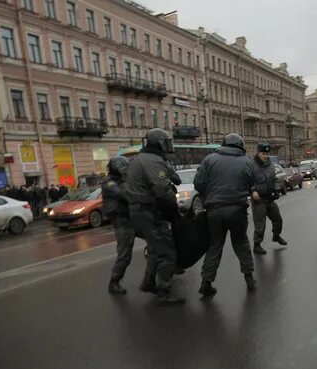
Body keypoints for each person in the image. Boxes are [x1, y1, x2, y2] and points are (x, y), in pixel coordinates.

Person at [123, 128, 185, 305]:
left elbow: (176, 179)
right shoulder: (152, 161)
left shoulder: (142, 158)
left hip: (139, 211)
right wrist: (173, 213)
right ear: (158, 143)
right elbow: (162, 191)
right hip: (149, 211)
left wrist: (167, 166)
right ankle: (164, 291)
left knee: (154, 249)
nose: (168, 146)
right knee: (166, 250)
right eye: (165, 142)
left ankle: (149, 282)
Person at [195, 133, 257, 297]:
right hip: (237, 209)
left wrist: (209, 194)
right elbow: (253, 182)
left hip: (214, 210)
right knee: (241, 242)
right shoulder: (246, 161)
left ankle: (206, 282)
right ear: (240, 145)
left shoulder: (209, 159)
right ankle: (249, 278)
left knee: (215, 245)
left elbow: (198, 183)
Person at [102, 156, 135, 295]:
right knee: (125, 253)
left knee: (156, 239)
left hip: (131, 217)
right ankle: (114, 281)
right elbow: (124, 195)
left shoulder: (122, 180)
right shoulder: (109, 182)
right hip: (121, 220)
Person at [250, 142, 287, 255]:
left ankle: (276, 236)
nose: (265, 156)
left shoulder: (270, 164)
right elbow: (247, 180)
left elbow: (274, 179)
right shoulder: (251, 165)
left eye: (267, 153)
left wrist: (276, 190)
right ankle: (257, 245)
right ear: (258, 153)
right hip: (258, 199)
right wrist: (252, 191)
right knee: (260, 223)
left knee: (278, 219)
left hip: (269, 198)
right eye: (263, 153)